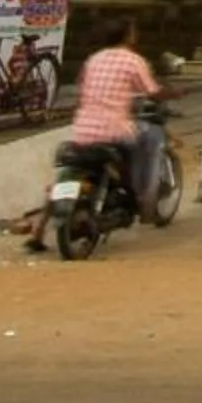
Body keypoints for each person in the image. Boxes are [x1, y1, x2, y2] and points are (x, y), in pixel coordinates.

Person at [34, 15, 162, 245]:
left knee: (66, 174)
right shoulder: (133, 60)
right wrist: (173, 94)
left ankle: (38, 232)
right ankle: (144, 199)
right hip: (115, 131)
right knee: (150, 140)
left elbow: (84, 90)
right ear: (128, 36)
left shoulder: (92, 60)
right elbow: (152, 91)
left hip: (82, 130)